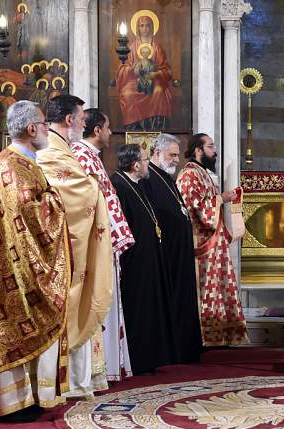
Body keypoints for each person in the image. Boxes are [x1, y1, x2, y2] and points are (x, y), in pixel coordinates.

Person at [0, 100, 71, 422]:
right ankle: (11, 404)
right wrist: (56, 198)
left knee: (17, 327)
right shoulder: (12, 166)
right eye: (44, 124)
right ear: (31, 129)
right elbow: (34, 218)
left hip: (19, 265)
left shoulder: (20, 161)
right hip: (14, 270)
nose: (47, 130)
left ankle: (26, 398)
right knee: (14, 325)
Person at [37, 95, 114, 398]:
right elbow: (73, 192)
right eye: (82, 117)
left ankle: (73, 382)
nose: (84, 122)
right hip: (60, 250)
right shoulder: (51, 151)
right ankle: (61, 383)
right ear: (69, 120)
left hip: (69, 246)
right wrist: (94, 185)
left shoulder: (62, 149)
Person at [70, 109, 134, 384]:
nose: (110, 133)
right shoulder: (82, 156)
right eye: (107, 127)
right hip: (95, 245)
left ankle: (106, 368)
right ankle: (96, 371)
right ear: (97, 130)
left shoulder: (90, 158)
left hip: (103, 242)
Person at [177, 134, 250, 347]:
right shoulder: (189, 174)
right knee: (206, 290)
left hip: (214, 242)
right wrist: (222, 198)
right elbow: (194, 207)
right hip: (202, 243)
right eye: (210, 146)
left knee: (219, 287)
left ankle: (222, 335)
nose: (214, 151)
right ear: (198, 150)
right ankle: (206, 337)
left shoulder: (203, 173)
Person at [110, 144, 173, 374]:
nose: (148, 164)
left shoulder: (138, 185)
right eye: (146, 160)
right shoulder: (118, 185)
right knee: (138, 309)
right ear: (136, 164)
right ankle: (137, 359)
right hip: (134, 263)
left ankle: (150, 357)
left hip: (147, 260)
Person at [142, 133, 203, 360]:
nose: (177, 160)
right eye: (172, 155)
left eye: (178, 155)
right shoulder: (149, 178)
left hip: (179, 252)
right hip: (167, 253)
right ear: (157, 153)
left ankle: (184, 347)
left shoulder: (166, 177)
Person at [116, 12, 173, 130]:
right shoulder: (131, 48)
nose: (145, 28)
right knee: (128, 94)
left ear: (152, 27)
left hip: (155, 81)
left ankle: (155, 129)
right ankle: (134, 128)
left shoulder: (157, 48)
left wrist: (155, 73)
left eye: (147, 25)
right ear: (137, 28)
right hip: (134, 82)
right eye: (142, 25)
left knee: (158, 92)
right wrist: (133, 70)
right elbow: (122, 69)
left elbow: (166, 70)